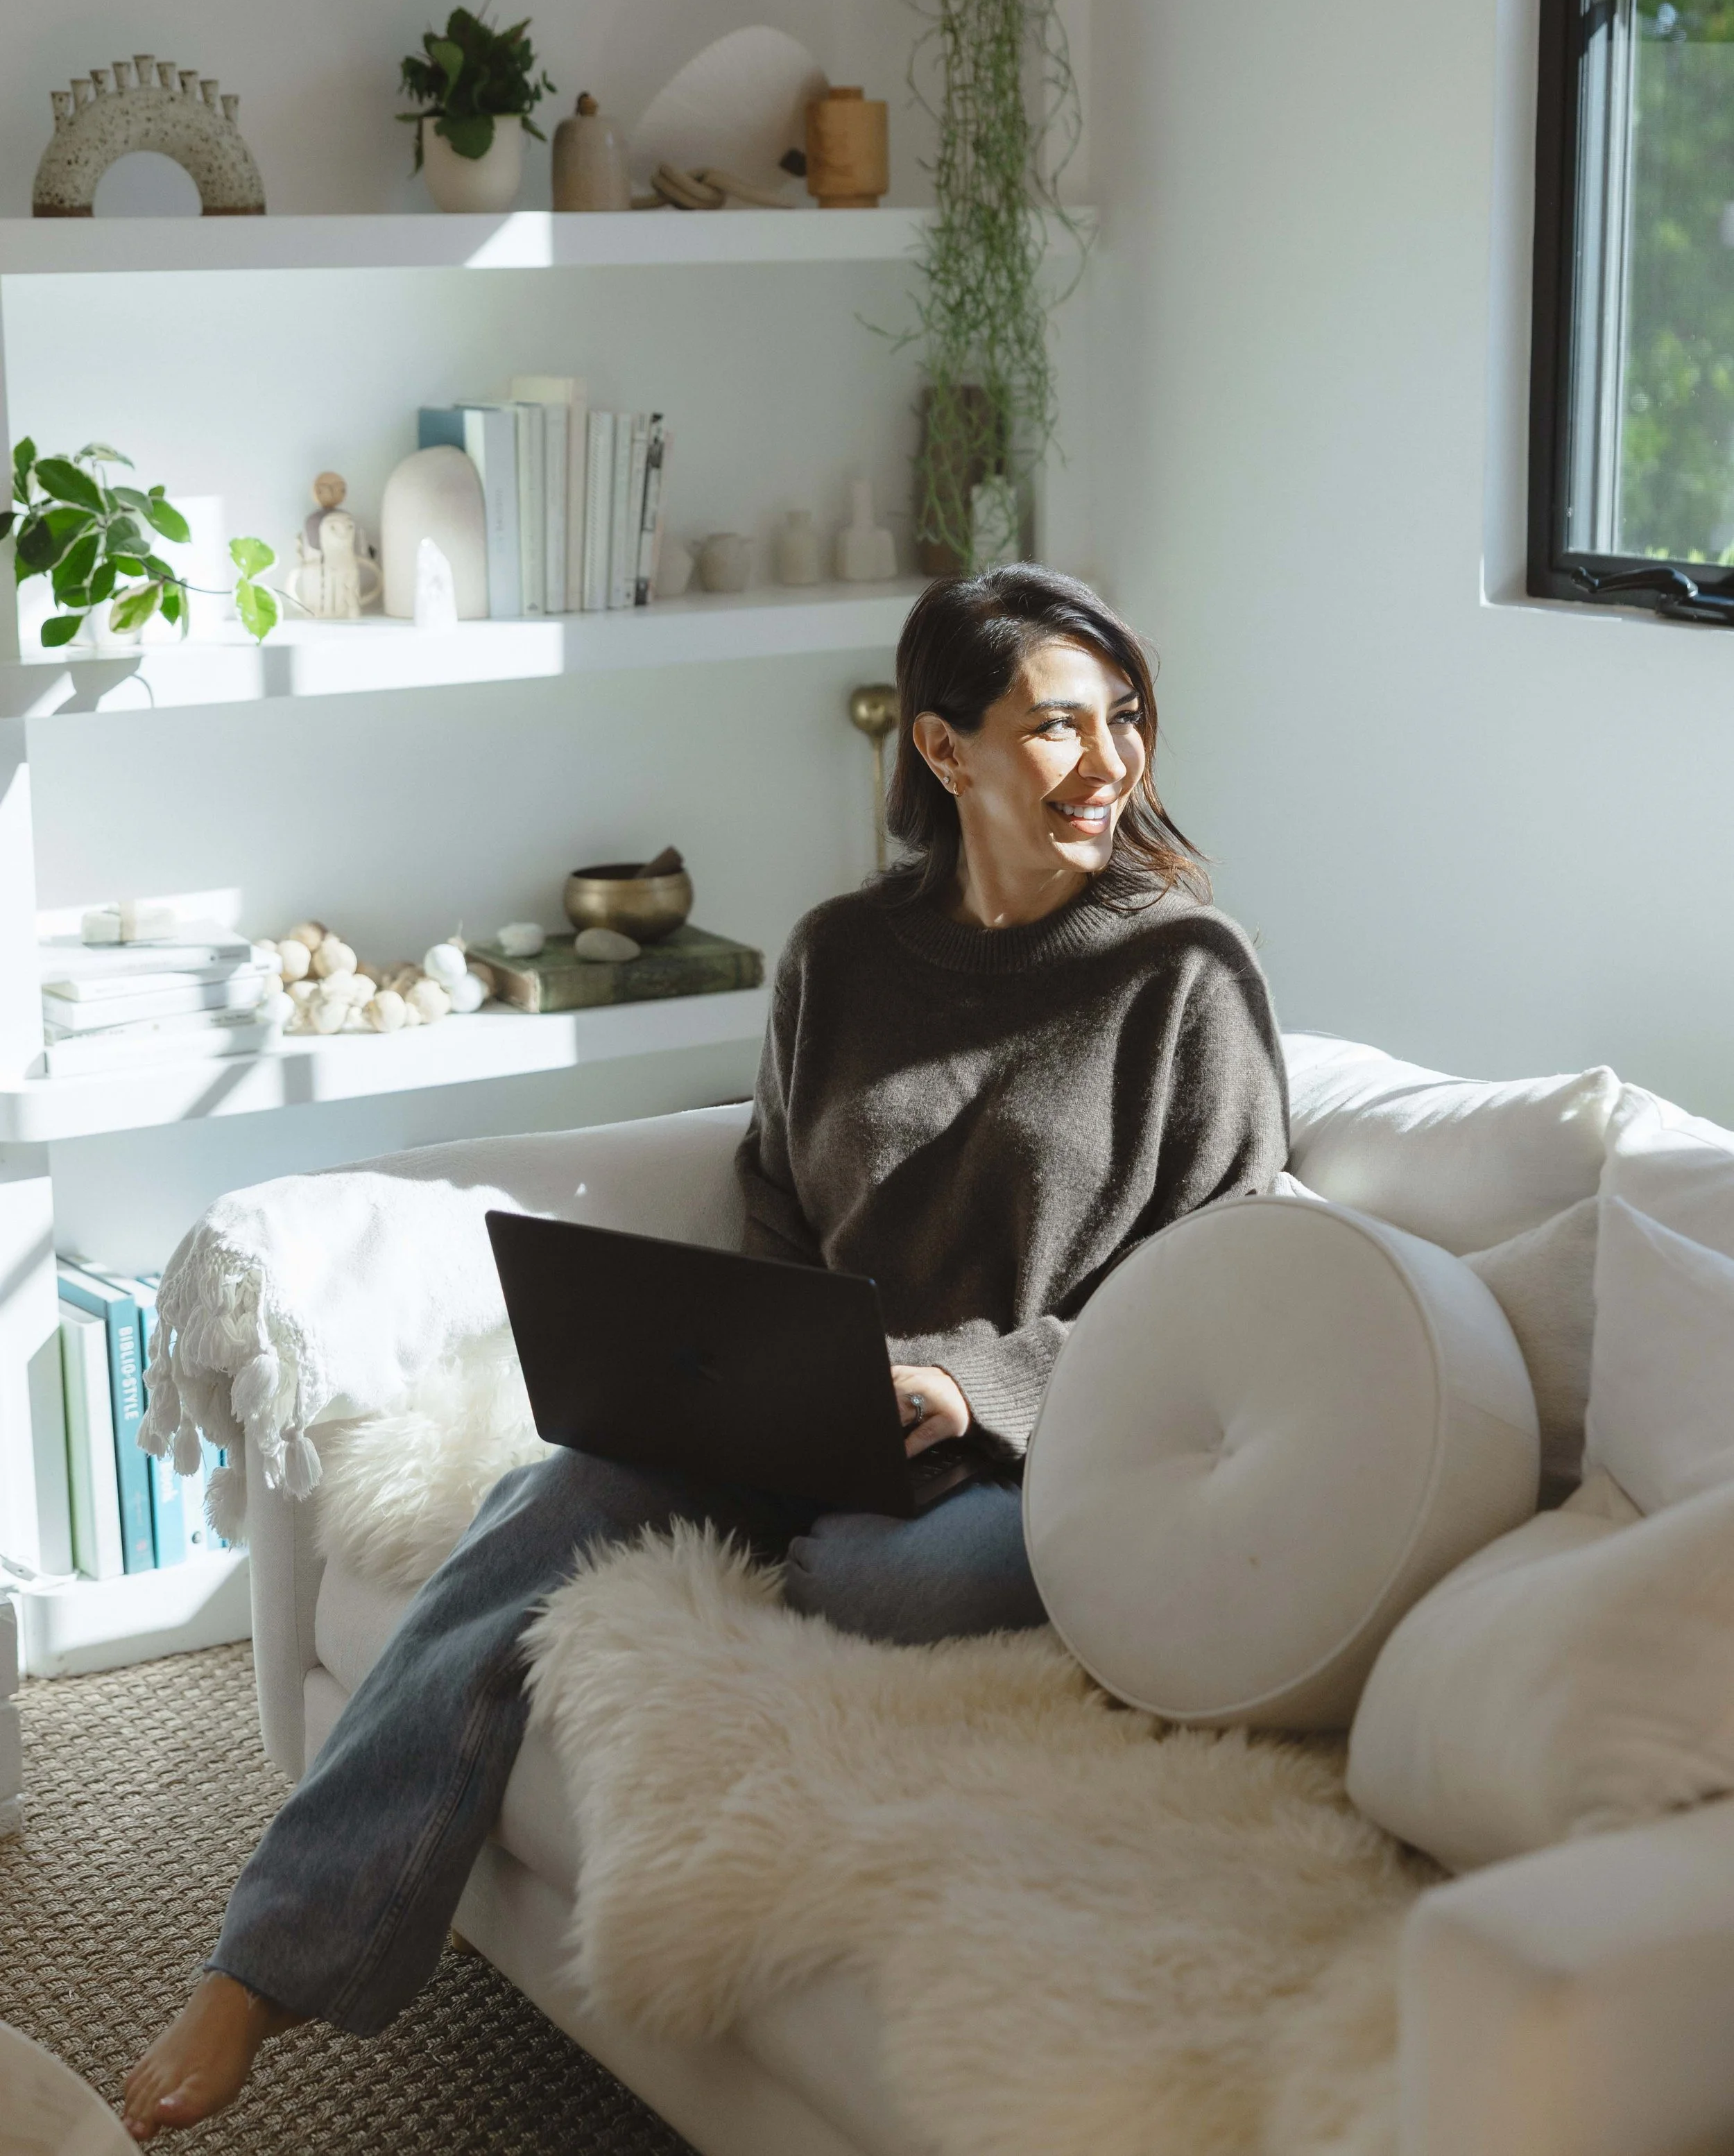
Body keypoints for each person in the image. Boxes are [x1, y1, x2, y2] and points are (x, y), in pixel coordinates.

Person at [121, 564, 1287, 2141]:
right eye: (1057, 727)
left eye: (1123, 722)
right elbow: (778, 1205)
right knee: (531, 1517)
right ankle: (258, 1967)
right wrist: (759, 1377)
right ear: (945, 755)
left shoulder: (1184, 978)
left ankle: (825, 1519)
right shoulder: (837, 954)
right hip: (819, 1406)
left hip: (1043, 1436)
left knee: (889, 1582)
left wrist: (973, 1387)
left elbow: (1212, 1288)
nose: (1107, 763)